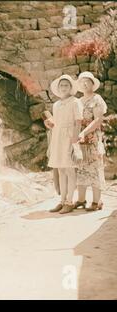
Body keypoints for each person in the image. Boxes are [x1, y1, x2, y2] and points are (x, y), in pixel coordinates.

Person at [44, 75, 83, 214]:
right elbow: (56, 122)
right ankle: (62, 200)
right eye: (62, 86)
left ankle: (70, 201)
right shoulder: (56, 104)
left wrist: (74, 138)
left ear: (71, 87)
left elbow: (78, 121)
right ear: (58, 88)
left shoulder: (75, 102)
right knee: (60, 169)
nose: (64, 87)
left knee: (70, 169)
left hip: (69, 136)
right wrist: (49, 124)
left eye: (66, 85)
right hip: (57, 136)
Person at [74, 71, 107, 211]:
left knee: (94, 168)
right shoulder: (78, 101)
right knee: (80, 168)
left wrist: (84, 132)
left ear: (93, 84)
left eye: (88, 81)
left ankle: (97, 201)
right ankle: (81, 200)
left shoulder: (97, 99)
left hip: (92, 139)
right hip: (80, 139)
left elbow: (98, 120)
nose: (85, 83)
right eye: (82, 81)